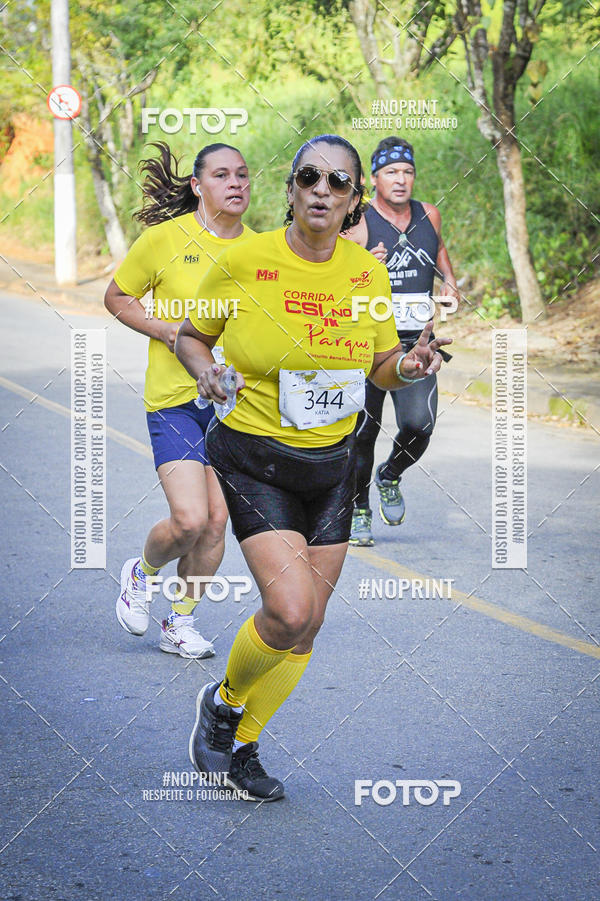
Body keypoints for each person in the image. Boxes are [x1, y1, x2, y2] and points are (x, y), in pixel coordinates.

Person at [175, 134, 451, 801]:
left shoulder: (365, 274)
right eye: (309, 177)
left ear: (355, 200)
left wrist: (407, 366)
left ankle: (242, 747)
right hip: (254, 459)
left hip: (333, 464)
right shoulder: (245, 261)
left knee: (310, 623)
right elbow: (191, 336)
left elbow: (382, 362)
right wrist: (206, 372)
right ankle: (221, 703)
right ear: (292, 190)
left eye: (338, 181)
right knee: (290, 607)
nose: (322, 190)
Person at [104, 141, 253, 657]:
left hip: (233, 407)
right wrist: (166, 330)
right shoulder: (163, 240)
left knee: (217, 523)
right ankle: (140, 573)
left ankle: (180, 622)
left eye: (242, 175)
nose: (235, 183)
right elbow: (117, 297)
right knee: (190, 518)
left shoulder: (260, 251)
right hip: (174, 400)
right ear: (197, 185)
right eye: (221, 175)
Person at [344, 137, 459, 546]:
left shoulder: (429, 214)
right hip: (369, 343)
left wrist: (449, 279)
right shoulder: (357, 224)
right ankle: (359, 510)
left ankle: (390, 474)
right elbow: (334, 277)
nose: (401, 179)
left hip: (416, 342)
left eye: (408, 171)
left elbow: (439, 248)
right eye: (391, 172)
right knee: (362, 433)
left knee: (419, 425)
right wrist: (363, 267)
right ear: (372, 178)